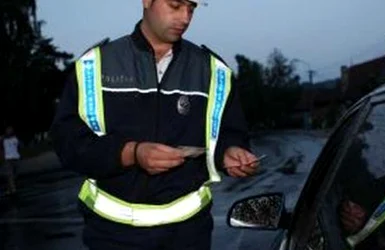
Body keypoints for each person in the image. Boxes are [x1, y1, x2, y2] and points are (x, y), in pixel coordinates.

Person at [50, 0, 260, 249]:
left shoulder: (213, 70)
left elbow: (230, 131)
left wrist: (229, 151)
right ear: (146, 1)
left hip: (189, 234)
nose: (185, 18)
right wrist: (130, 153)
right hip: (112, 235)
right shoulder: (94, 65)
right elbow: (68, 142)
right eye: (175, 6)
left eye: (191, 9)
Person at [2, 126, 21, 195]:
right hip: (8, 159)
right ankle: (13, 190)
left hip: (16, 158)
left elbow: (19, 147)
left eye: (10, 130)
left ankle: (9, 189)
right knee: (10, 175)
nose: (9, 131)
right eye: (8, 130)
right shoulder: (3, 139)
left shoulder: (15, 139)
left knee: (15, 174)